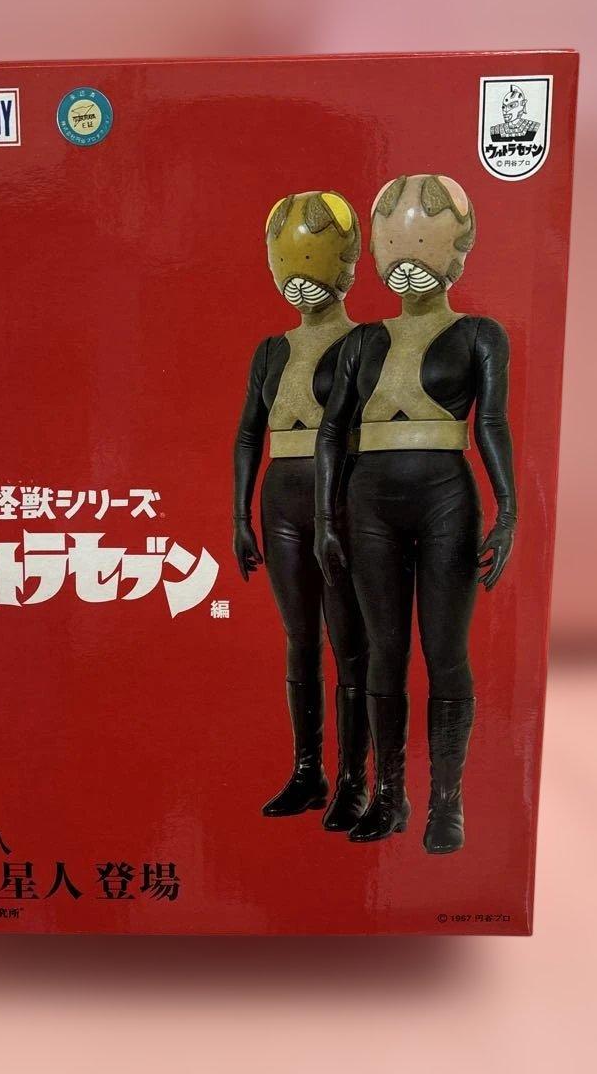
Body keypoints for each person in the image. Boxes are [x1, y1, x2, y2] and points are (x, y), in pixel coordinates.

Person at [314, 174, 517, 853]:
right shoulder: (361, 342)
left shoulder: (480, 335)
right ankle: (390, 793)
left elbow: (491, 423)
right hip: (368, 502)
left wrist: (509, 510)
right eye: (396, 244)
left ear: (458, 247)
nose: (409, 260)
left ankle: (447, 802)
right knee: (384, 652)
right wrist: (325, 519)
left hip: (446, 501)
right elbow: (331, 431)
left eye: (425, 243)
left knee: (446, 652)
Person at [233, 191, 370, 830]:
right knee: (300, 639)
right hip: (280, 497)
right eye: (287, 263)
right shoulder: (269, 350)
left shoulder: (365, 342)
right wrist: (239, 517)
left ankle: (354, 779)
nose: (299, 279)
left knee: (350, 639)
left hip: (341, 494)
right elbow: (247, 435)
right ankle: (308, 770)